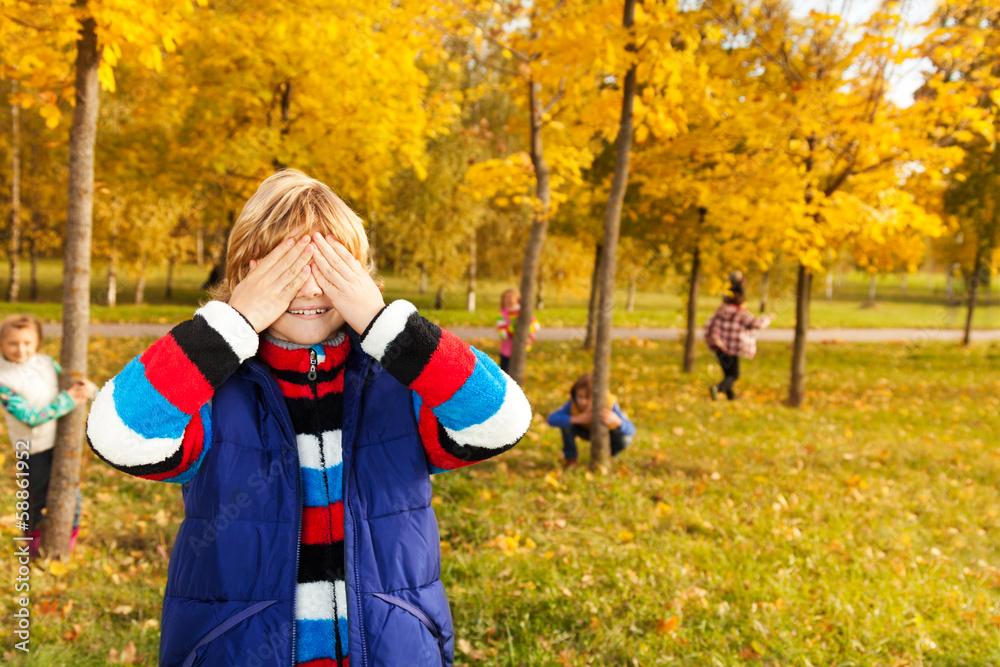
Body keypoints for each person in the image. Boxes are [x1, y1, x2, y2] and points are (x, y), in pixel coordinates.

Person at [86, 169, 532, 667]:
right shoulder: (207, 386)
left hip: (391, 649)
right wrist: (232, 322)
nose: (309, 289)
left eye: (330, 267)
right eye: (285, 267)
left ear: (358, 276)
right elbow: (118, 432)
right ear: (244, 276)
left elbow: (503, 419)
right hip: (238, 652)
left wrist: (386, 325)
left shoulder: (403, 379)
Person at [0, 313, 97, 557]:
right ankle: (33, 549)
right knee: (35, 499)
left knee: (71, 497)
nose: (21, 349)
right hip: (32, 449)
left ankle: (63, 550)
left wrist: (88, 389)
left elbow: (70, 384)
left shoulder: (44, 362)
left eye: (27, 343)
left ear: (37, 342)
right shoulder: (3, 379)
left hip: (61, 442)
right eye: (13, 343)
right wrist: (68, 400)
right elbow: (30, 416)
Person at [704, 273, 775, 400]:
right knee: (734, 375)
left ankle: (730, 397)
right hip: (732, 349)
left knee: (728, 374)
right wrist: (768, 318)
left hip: (720, 347)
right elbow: (756, 324)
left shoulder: (721, 310)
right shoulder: (741, 313)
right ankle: (717, 388)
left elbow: (708, 324)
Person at [546, 372, 635, 468]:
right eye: (580, 396)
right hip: (585, 431)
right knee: (566, 424)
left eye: (588, 397)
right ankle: (570, 458)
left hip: (608, 435)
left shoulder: (609, 403)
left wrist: (618, 422)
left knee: (625, 440)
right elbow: (551, 419)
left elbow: (631, 430)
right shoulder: (572, 403)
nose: (583, 401)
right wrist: (575, 419)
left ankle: (609, 455)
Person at [496, 288, 538, 373]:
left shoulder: (523, 312)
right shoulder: (502, 314)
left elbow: (536, 326)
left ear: (517, 299)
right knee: (504, 373)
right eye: (505, 297)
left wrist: (527, 329)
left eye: (510, 297)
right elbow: (502, 334)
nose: (508, 300)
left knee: (517, 372)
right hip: (506, 350)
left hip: (521, 348)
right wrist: (513, 327)